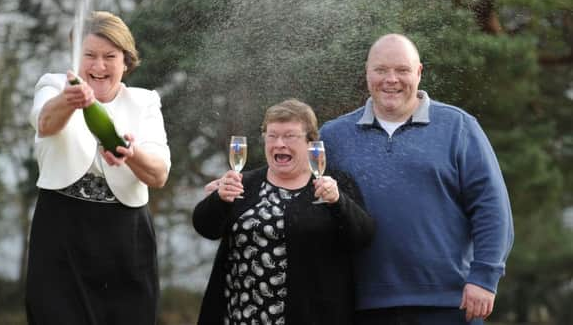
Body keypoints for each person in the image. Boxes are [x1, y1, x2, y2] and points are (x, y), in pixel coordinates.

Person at [320, 33, 514, 325]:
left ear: (420, 72)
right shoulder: (333, 136)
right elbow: (296, 193)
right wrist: (231, 187)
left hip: (451, 304)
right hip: (363, 307)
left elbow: (492, 208)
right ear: (367, 72)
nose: (391, 79)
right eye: (381, 70)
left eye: (402, 70)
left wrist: (485, 277)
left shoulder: (458, 127)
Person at [25, 11, 171, 325]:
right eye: (89, 55)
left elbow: (159, 174)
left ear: (126, 61)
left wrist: (132, 154)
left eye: (110, 57)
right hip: (61, 233)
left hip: (126, 239)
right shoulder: (53, 86)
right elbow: (44, 122)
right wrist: (70, 100)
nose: (98, 66)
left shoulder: (144, 102)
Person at [193, 99, 375, 325]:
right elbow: (205, 227)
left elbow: (362, 237)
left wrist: (339, 202)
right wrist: (218, 200)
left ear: (310, 143)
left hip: (313, 315)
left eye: (290, 136)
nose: (279, 143)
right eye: (272, 136)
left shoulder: (334, 185)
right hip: (240, 316)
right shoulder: (244, 183)